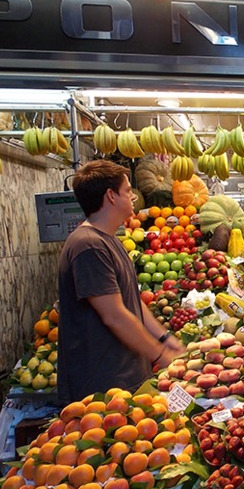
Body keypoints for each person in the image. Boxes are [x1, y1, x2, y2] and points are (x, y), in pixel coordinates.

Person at [58, 160, 184, 405]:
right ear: (111, 196)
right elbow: (114, 315)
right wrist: (160, 354)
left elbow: (131, 301)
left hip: (126, 376)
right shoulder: (88, 246)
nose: (133, 198)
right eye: (127, 191)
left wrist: (165, 338)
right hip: (102, 387)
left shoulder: (109, 240)